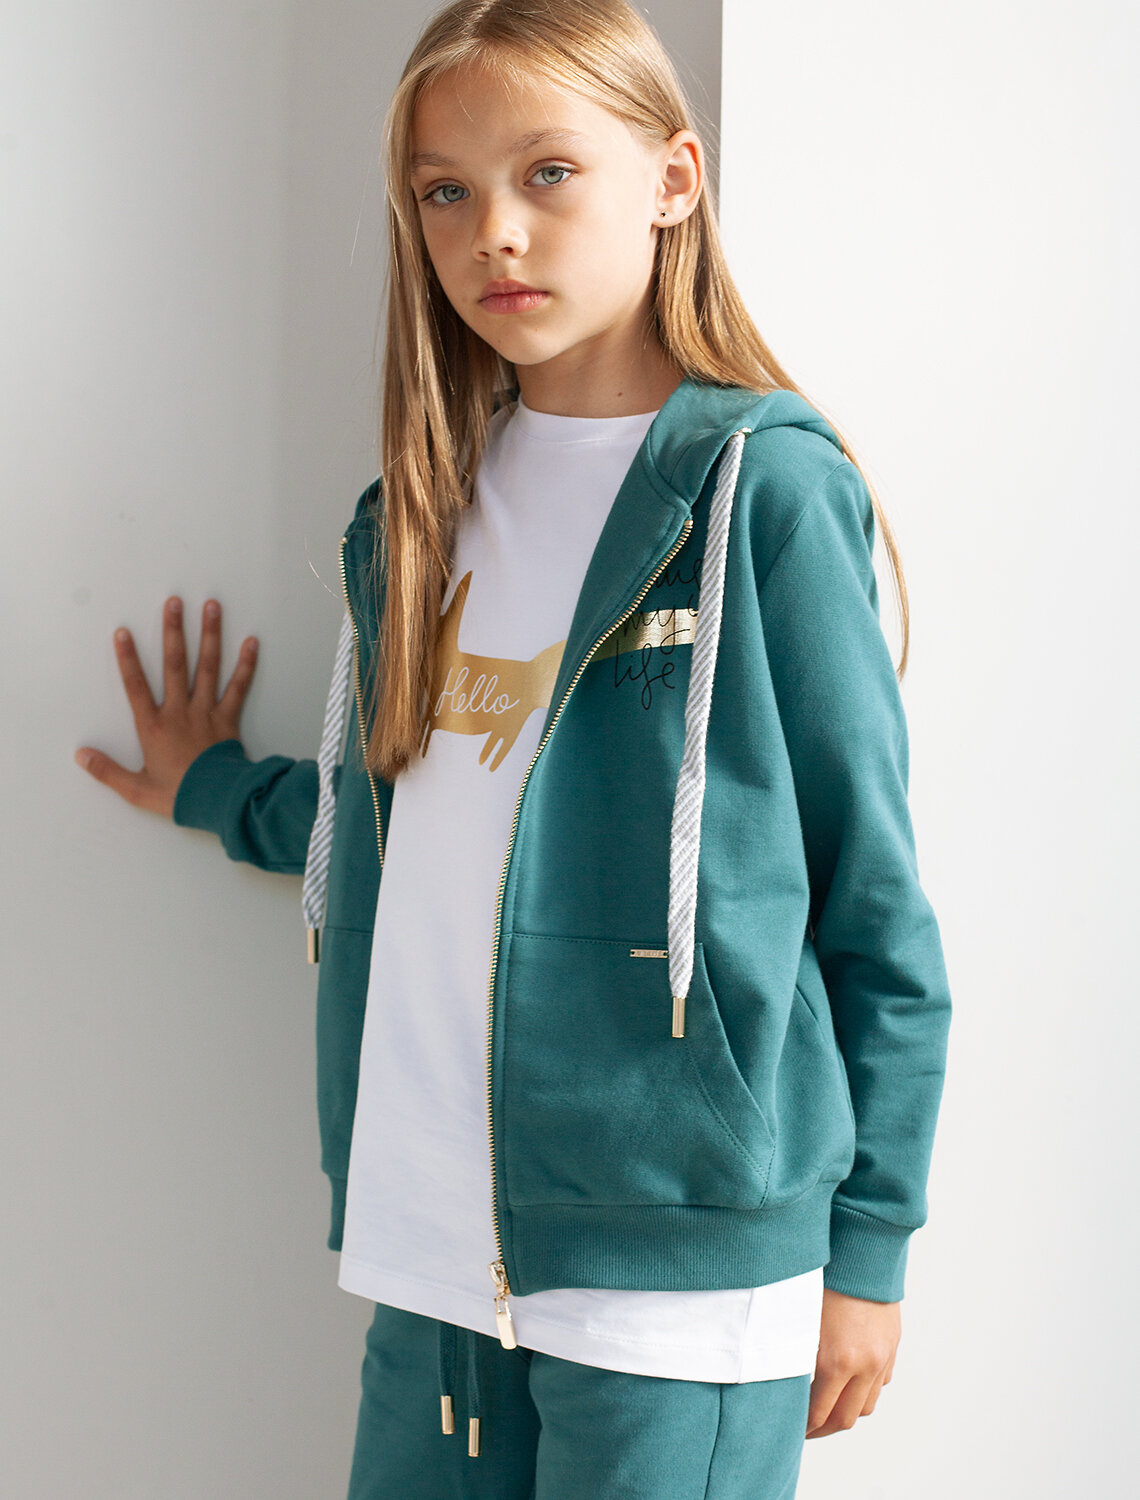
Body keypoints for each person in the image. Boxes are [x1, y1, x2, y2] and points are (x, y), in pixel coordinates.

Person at [74, 0, 953, 1494]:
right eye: (445, 190)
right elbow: (422, 811)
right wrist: (216, 789)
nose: (495, 232)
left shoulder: (761, 492)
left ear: (671, 178)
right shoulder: (422, 503)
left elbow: (872, 903)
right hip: (427, 1244)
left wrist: (871, 1246)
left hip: (676, 1275)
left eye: (548, 172)